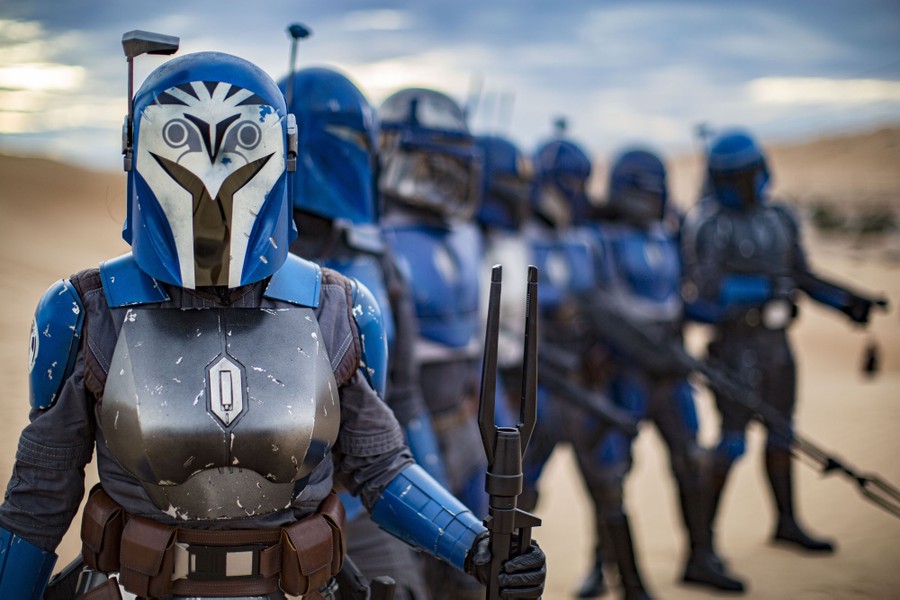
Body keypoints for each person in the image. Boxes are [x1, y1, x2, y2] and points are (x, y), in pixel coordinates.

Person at [0, 49, 545, 600]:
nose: (211, 183)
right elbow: (38, 497)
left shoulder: (336, 306)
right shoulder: (91, 309)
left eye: (236, 148)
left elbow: (379, 466)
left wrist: (475, 547)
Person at [680, 129, 887, 580]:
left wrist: (847, 301)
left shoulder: (779, 217)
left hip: (778, 346)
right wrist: (762, 291)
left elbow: (801, 275)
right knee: (732, 442)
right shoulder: (709, 223)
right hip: (735, 348)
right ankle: (701, 548)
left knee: (782, 436)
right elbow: (701, 296)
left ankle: (786, 522)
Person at [281, 65, 444, 600]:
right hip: (258, 513)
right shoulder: (238, 262)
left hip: (363, 501)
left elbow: (403, 394)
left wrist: (435, 502)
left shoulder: (378, 257)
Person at [572, 149, 745, 599]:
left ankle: (701, 556)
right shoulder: (599, 239)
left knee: (690, 460)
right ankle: (605, 566)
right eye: (643, 190)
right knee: (610, 475)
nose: (652, 200)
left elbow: (682, 298)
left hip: (671, 369)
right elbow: (598, 306)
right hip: (622, 372)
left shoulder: (669, 236)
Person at [378, 88, 490, 600]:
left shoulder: (465, 235)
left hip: (464, 420)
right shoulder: (373, 240)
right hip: (404, 437)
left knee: (481, 570)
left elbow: (474, 348)